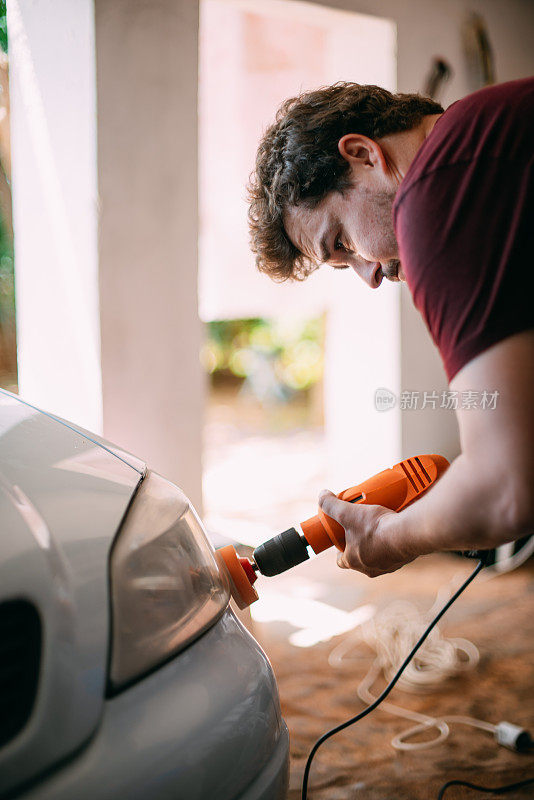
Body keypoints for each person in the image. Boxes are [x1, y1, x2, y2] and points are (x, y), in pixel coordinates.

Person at [247, 79, 534, 577]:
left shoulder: (435, 194)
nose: (371, 275)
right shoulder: (488, 126)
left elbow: (506, 489)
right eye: (343, 265)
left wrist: (389, 538)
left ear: (362, 154)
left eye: (341, 242)